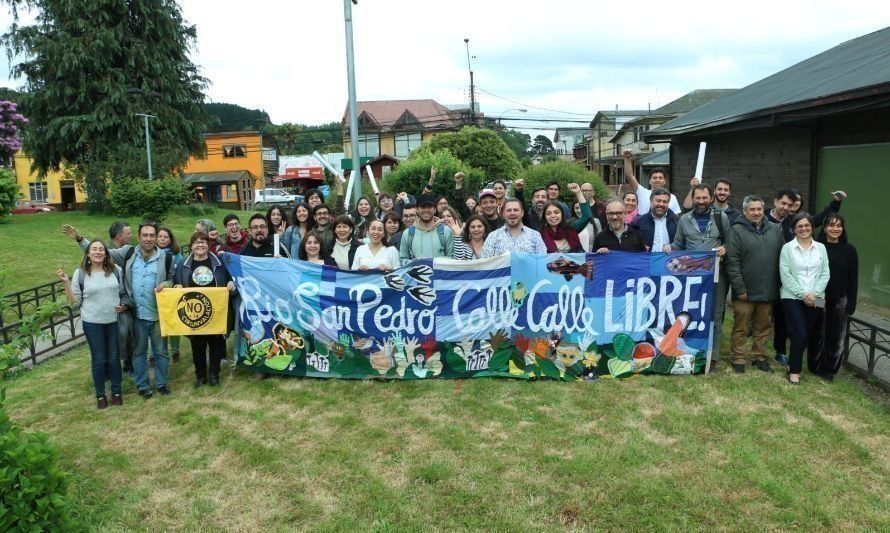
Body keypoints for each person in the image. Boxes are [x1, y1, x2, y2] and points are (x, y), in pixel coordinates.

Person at [56, 242, 128, 409]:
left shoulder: (116, 270)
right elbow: (75, 303)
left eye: (101, 249)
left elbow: (123, 293)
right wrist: (67, 283)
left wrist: (124, 305)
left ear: (106, 253)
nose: (98, 252)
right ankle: (100, 395)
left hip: (113, 322)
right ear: (87, 253)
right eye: (94, 249)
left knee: (114, 358)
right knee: (99, 360)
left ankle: (116, 392)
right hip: (92, 323)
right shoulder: (80, 274)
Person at [671, 184, 732, 367]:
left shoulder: (721, 218)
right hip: (692, 277)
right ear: (693, 198)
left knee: (715, 313)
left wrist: (725, 248)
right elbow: (678, 244)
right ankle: (690, 349)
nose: (701, 201)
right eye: (698, 198)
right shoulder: (684, 220)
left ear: (711, 198)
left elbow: (730, 242)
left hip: (715, 275)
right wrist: (669, 248)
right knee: (691, 313)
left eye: (705, 198)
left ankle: (711, 356)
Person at [168, 231, 237, 387]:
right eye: (196, 242)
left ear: (208, 245)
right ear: (191, 246)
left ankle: (214, 375)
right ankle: (200, 377)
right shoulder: (183, 264)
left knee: (215, 345)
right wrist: (176, 287)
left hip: (215, 312)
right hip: (194, 313)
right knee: (197, 346)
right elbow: (176, 282)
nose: (200, 245)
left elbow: (230, 280)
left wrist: (231, 286)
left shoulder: (218, 262)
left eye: (203, 242)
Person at [725, 195, 784, 374]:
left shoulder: (774, 229)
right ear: (745, 211)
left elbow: (783, 257)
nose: (756, 212)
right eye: (752, 209)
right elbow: (732, 261)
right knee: (741, 327)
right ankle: (738, 358)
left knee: (763, 327)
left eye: (759, 209)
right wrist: (739, 287)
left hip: (767, 289)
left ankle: (760, 357)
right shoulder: (736, 231)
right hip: (745, 291)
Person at [779, 212, 831, 384]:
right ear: (794, 229)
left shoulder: (821, 248)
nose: (804, 228)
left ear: (812, 227)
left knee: (805, 334)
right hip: (791, 296)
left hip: (817, 297)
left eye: (807, 225)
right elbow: (785, 275)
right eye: (799, 226)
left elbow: (825, 274)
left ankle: (792, 364)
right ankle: (794, 372)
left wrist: (814, 294)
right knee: (799, 333)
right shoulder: (787, 248)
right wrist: (803, 295)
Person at [815, 213, 858, 381]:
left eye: (838, 225)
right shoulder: (817, 247)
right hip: (820, 298)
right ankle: (816, 365)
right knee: (819, 332)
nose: (835, 229)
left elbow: (853, 278)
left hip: (840, 300)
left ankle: (830, 369)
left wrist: (851, 303)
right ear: (825, 228)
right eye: (831, 225)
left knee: (836, 335)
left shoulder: (850, 250)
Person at [400, 194, 455, 264]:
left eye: (429, 207)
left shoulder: (446, 231)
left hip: (440, 274)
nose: (426, 210)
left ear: (435, 209)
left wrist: (434, 263)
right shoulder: (407, 234)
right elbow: (403, 259)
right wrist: (416, 263)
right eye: (423, 207)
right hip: (417, 274)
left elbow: (451, 258)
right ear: (417, 209)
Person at [622, 150, 681, 215]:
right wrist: (627, 158)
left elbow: (675, 218)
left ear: (665, 181)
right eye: (654, 178)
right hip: (644, 224)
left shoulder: (672, 197)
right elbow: (629, 176)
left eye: (660, 178)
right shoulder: (642, 193)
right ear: (650, 181)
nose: (657, 180)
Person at [482, 199, 546, 257]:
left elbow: (542, 262)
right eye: (508, 210)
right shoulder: (493, 236)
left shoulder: (535, 235)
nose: (512, 213)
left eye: (516, 210)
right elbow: (485, 264)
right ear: (503, 214)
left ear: (522, 213)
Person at [540, 183, 592, 253]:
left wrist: (578, 192)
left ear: (562, 214)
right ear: (545, 217)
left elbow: (587, 216)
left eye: (556, 212)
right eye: (549, 213)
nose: (553, 215)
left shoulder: (571, 228)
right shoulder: (540, 235)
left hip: (577, 263)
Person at [157, 226, 184, 362]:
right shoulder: (151, 252)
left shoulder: (176, 254)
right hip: (157, 293)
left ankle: (175, 350)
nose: (162, 239)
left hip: (172, 292)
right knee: (157, 324)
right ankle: (155, 353)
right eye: (160, 236)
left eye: (165, 237)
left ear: (170, 239)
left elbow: (181, 271)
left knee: (172, 322)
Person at [633, 188, 679, 253]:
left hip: (669, 261)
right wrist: (641, 247)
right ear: (651, 201)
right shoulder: (639, 222)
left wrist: (672, 246)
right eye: (658, 201)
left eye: (665, 202)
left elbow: (681, 243)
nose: (661, 204)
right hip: (647, 261)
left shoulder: (676, 221)